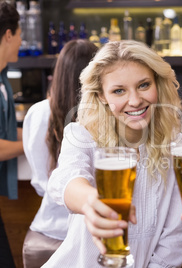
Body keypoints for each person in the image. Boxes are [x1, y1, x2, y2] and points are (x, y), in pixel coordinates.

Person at [42, 40, 182, 267]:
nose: (135, 100)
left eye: (144, 85)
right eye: (119, 90)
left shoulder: (175, 146)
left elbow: (173, 238)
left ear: (157, 83)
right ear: (101, 96)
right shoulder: (82, 135)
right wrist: (91, 201)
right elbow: (66, 178)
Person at [22, 39, 98, 267]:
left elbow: (41, 183)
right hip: (94, 232)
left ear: (59, 71)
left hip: (50, 226)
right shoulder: (101, 115)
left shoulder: (37, 113)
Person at [0, 2, 24, 267]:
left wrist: (42, 133)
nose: (21, 41)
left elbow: (5, 130)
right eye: (19, 34)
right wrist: (34, 144)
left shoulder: (3, 77)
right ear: (8, 34)